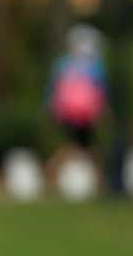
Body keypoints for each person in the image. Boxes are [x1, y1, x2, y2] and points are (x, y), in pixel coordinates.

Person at [46, 24, 108, 163]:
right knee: (83, 145)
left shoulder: (62, 64)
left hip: (69, 113)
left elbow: (52, 88)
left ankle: (59, 165)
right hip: (85, 114)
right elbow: (102, 90)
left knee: (74, 144)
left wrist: (51, 107)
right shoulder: (96, 66)